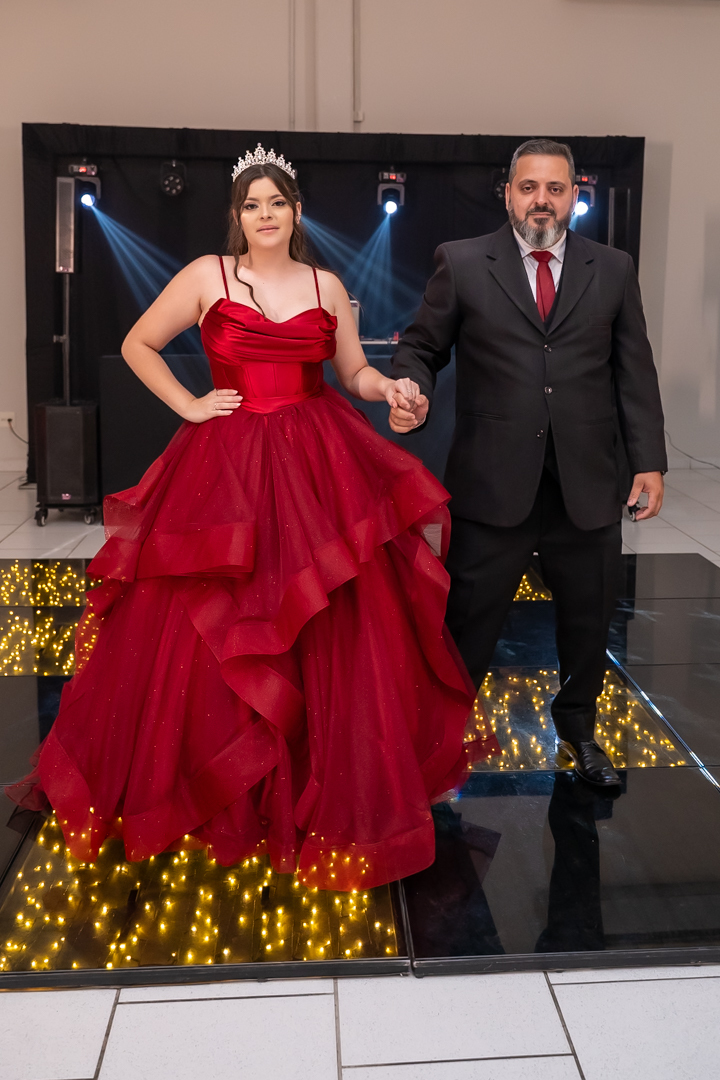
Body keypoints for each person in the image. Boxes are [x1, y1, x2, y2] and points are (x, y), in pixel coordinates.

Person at [8, 146, 497, 891]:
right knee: (212, 619)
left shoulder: (327, 285)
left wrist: (392, 390)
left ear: (297, 212)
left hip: (315, 459)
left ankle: (310, 786)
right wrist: (190, 405)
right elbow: (139, 343)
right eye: (251, 204)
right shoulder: (208, 274)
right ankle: (216, 789)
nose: (264, 214)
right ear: (237, 215)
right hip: (227, 463)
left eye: (276, 202)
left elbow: (352, 372)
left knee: (326, 619)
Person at [390, 138, 667, 788]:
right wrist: (411, 389)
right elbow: (421, 347)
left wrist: (649, 461)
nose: (541, 199)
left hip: (588, 483)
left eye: (555, 188)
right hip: (492, 483)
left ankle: (580, 732)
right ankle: (439, 744)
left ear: (574, 194)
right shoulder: (462, 262)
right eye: (529, 186)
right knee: (467, 626)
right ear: (508, 193)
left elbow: (634, 372)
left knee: (589, 623)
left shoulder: (613, 269)